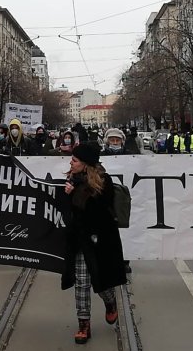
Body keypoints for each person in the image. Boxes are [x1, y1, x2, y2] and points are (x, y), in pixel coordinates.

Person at [62, 143, 127, 345]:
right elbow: (70, 212)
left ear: (86, 164)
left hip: (100, 240)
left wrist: (73, 194)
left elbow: (97, 212)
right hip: (80, 239)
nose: (71, 163)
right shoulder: (71, 179)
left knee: (101, 283)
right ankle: (84, 324)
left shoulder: (104, 182)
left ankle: (110, 303)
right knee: (81, 282)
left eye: (74, 160)